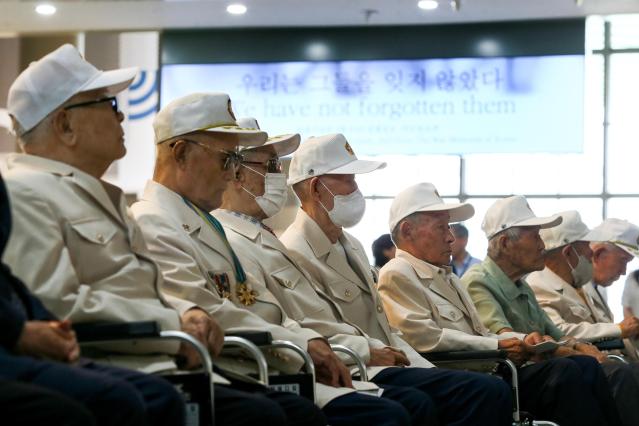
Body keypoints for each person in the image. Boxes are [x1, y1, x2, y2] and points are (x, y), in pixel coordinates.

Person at [2, 44, 289, 426]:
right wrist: (173, 325)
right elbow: (58, 304)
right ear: (65, 125)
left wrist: (185, 310)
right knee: (264, 415)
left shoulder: (98, 196)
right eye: (109, 106)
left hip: (160, 357)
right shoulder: (25, 191)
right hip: (121, 360)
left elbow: (140, 288)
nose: (121, 119)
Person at [217, 117, 442, 426]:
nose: (278, 175)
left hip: (347, 359)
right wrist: (362, 350)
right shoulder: (240, 242)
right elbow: (291, 322)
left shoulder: (269, 237)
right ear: (236, 172)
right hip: (320, 365)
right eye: (270, 164)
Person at [130, 99, 340, 426]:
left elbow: (257, 306)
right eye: (226, 159)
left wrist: (305, 341)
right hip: (219, 366)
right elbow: (206, 310)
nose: (232, 174)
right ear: (182, 153)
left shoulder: (204, 223)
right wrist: (300, 344)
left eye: (237, 160)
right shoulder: (153, 221)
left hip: (249, 363)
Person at [279, 133, 513, 426]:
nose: (356, 190)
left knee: (483, 390)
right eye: (349, 181)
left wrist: (425, 368)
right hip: (357, 367)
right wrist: (372, 351)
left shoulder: (351, 244)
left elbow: (386, 329)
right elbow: (315, 329)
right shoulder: (294, 248)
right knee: (482, 392)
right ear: (316, 187)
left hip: (387, 363)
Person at [378, 183, 625, 426]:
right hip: (463, 374)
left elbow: (481, 332)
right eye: (441, 227)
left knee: (582, 365)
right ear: (408, 230)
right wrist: (500, 344)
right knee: (564, 372)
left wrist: (522, 340)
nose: (451, 237)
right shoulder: (398, 273)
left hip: (488, 369)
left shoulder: (448, 277)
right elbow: (425, 339)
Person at [0, 171, 184, 426]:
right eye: (227, 158)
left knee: (160, 396)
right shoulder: (26, 190)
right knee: (112, 401)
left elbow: (5, 278)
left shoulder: (106, 195)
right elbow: (62, 299)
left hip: (165, 350)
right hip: (130, 348)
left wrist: (46, 323)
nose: (121, 129)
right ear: (66, 129)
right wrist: (19, 329)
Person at [461, 195, 623, 426]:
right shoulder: (478, 282)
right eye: (535, 236)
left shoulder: (521, 285)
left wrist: (579, 346)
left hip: (535, 371)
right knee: (566, 369)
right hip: (506, 378)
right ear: (506, 243)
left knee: (587, 364)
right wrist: (569, 351)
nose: (542, 245)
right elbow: (504, 337)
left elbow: (554, 333)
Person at [526, 210, 639, 425]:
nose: (590, 256)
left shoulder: (581, 287)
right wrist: (619, 329)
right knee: (622, 373)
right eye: (587, 253)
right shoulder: (538, 285)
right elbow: (558, 331)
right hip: (573, 365)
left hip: (601, 360)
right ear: (570, 253)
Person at [587, 219, 639, 324]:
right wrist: (620, 330)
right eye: (623, 261)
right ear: (599, 254)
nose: (623, 271)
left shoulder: (598, 289)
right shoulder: (574, 288)